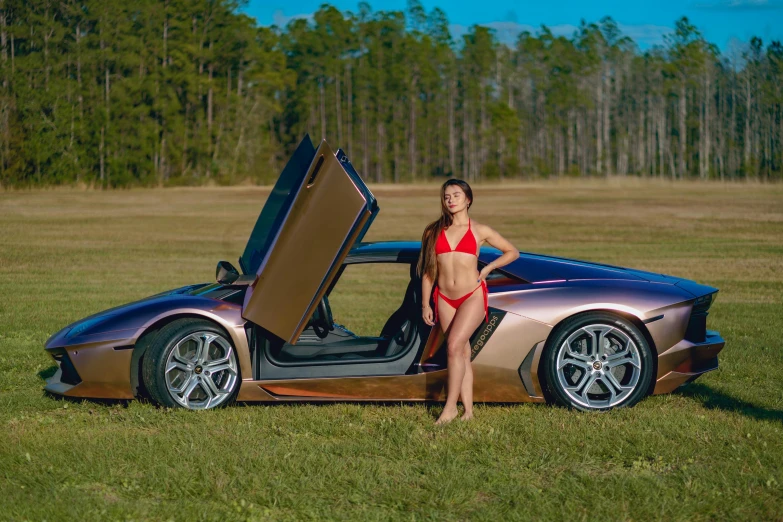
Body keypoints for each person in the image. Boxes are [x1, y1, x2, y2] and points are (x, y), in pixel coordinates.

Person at [416, 179, 520, 424]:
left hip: (470, 295)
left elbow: (512, 252)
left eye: (456, 195)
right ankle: (469, 412)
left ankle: (449, 408)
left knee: (452, 346)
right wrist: (425, 303)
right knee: (462, 352)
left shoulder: (479, 230)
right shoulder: (433, 231)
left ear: (468, 200)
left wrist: (488, 269)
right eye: (446, 196)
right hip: (443, 297)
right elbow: (429, 272)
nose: (451, 200)